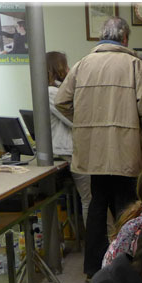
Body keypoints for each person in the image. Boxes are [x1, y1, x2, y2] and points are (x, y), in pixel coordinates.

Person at [55, 16, 142, 281]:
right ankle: (124, 265)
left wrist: (85, 122)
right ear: (125, 38)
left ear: (102, 36)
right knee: (127, 207)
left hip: (93, 152)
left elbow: (61, 101)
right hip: (127, 150)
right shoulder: (135, 65)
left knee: (98, 205)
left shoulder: (82, 65)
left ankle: (93, 268)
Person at [46, 51, 91, 224]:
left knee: (89, 199)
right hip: (70, 150)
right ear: (59, 68)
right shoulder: (52, 92)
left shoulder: (55, 90)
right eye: (66, 65)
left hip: (71, 149)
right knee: (89, 199)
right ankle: (97, 246)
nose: (69, 69)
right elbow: (74, 119)